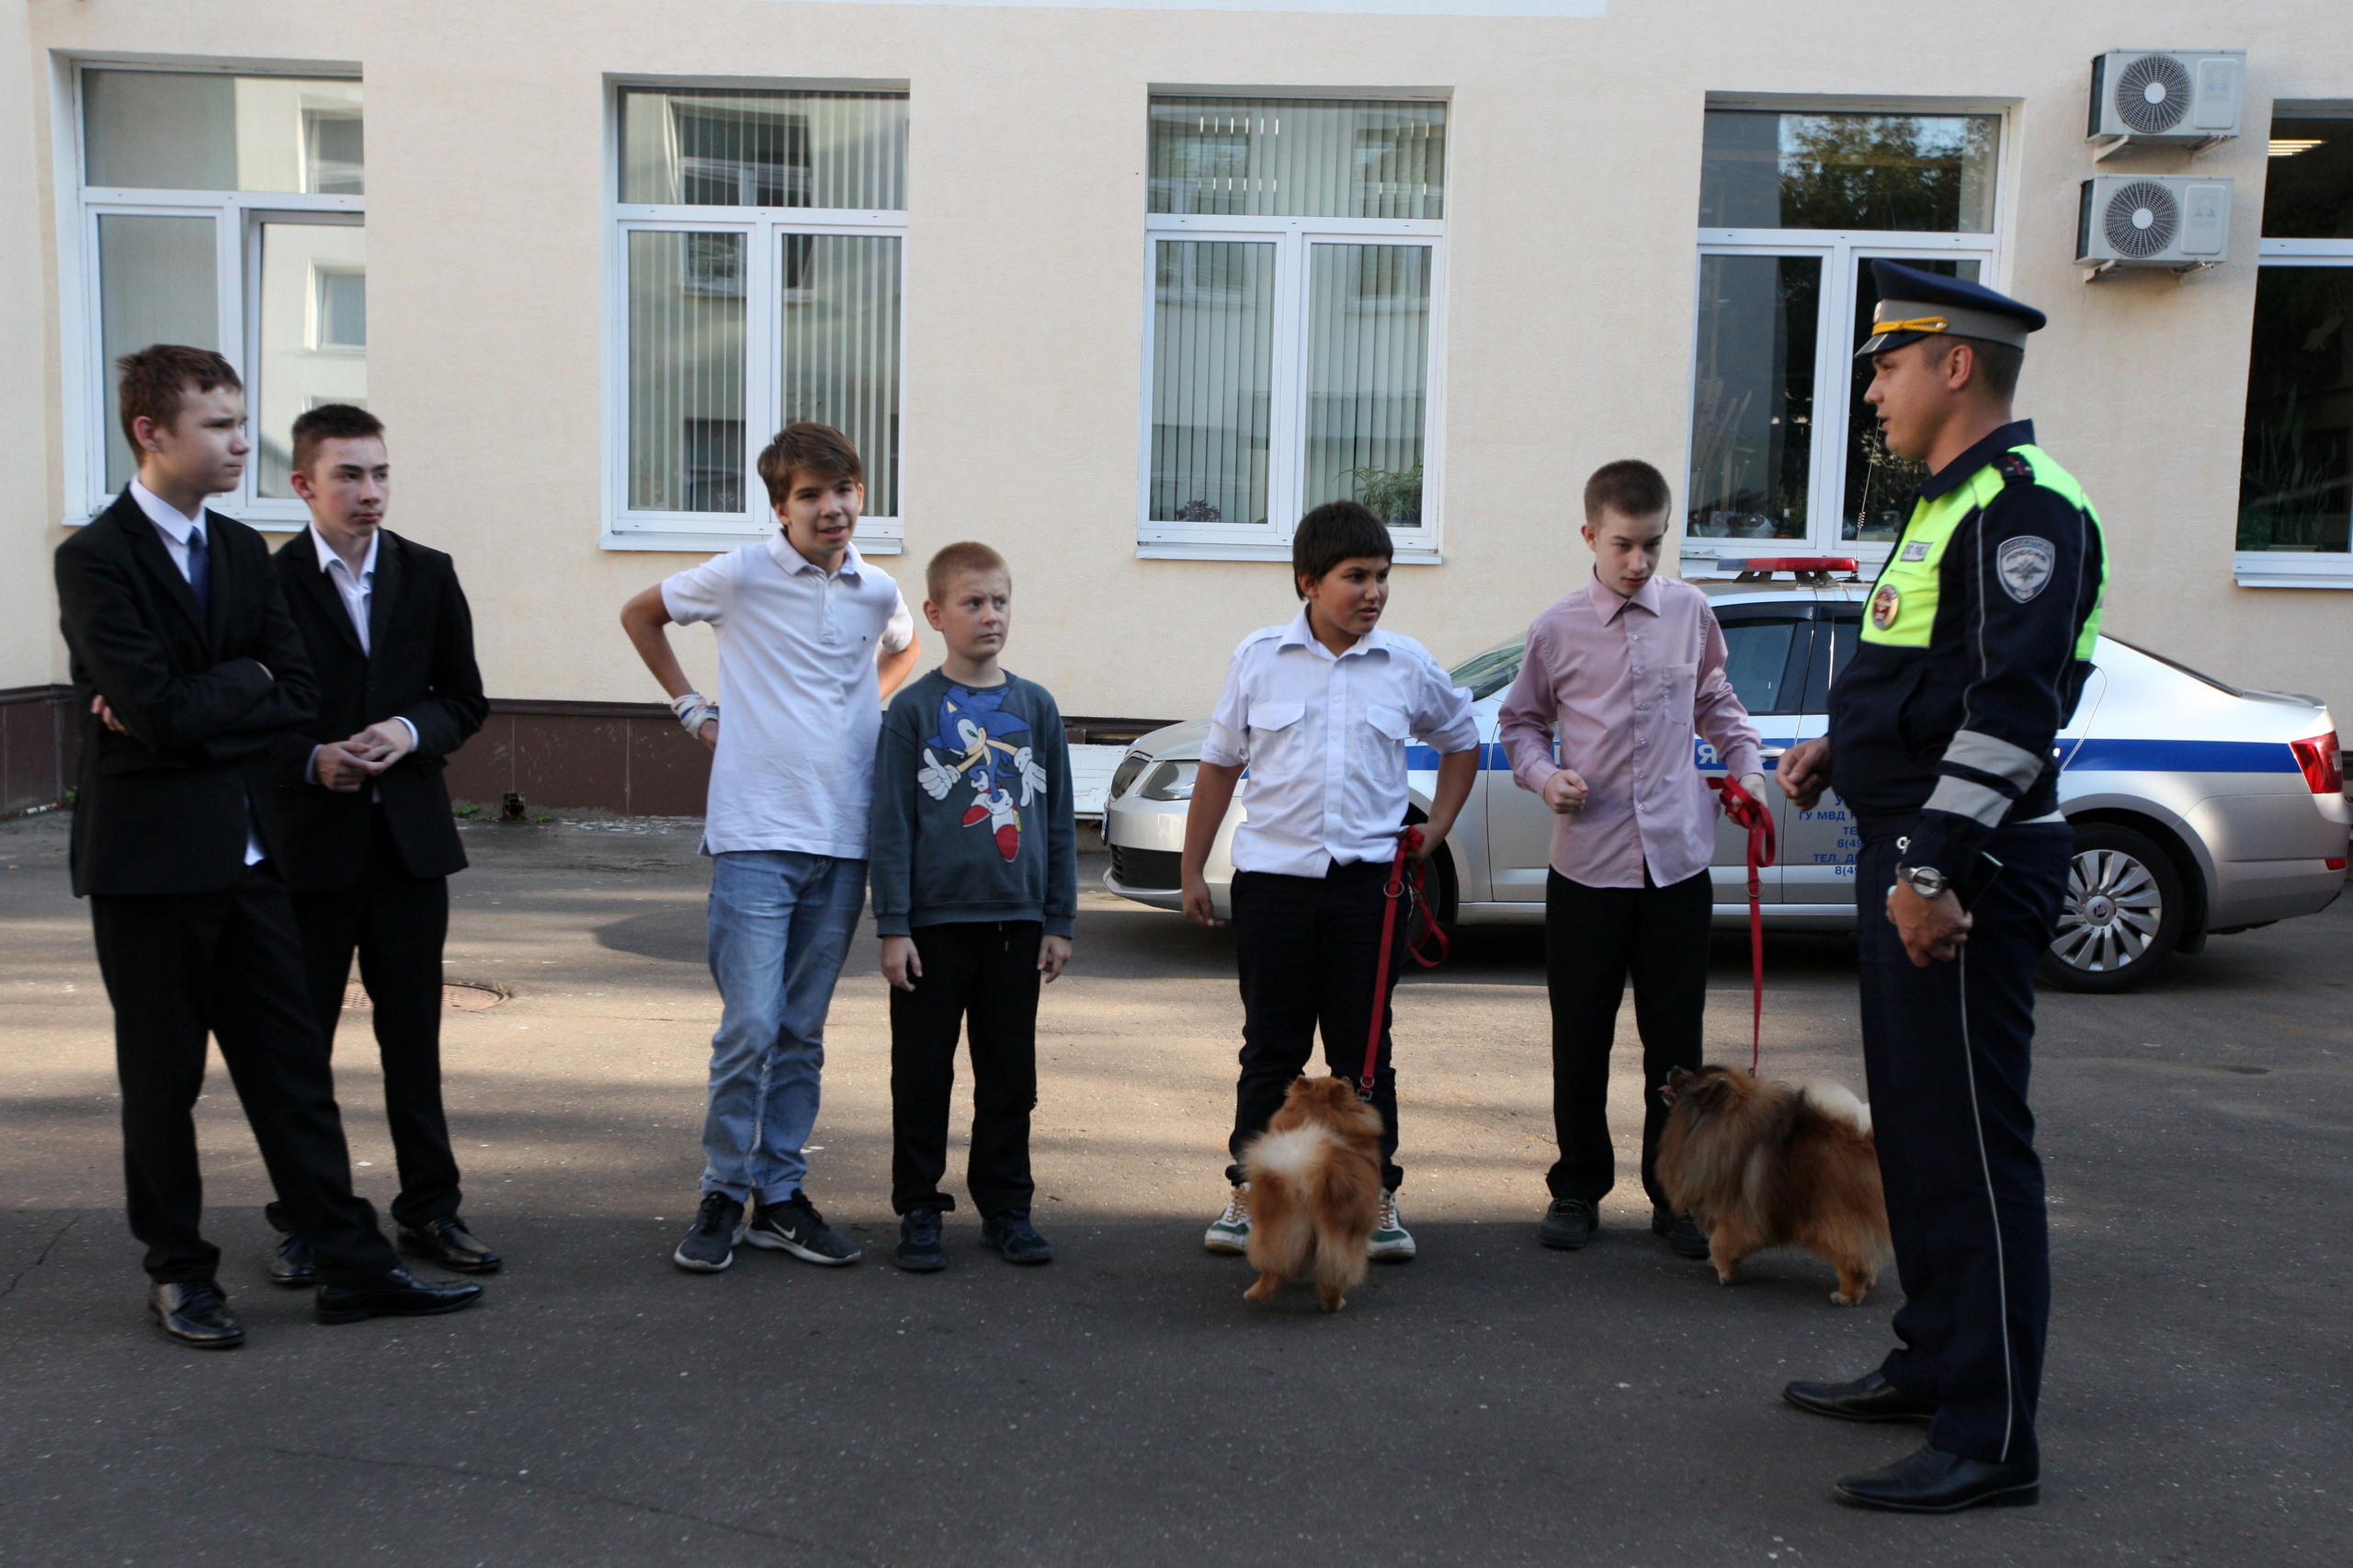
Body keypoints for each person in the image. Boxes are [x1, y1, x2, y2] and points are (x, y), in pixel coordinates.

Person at [53, 345, 483, 1347]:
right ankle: (181, 1271)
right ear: (149, 432)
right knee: (163, 1081)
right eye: (216, 425)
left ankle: (351, 1261)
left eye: (242, 422)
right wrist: (223, 690)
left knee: (291, 1073)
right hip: (150, 866)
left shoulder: (246, 552)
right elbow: (158, 709)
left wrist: (205, 698)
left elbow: (287, 693)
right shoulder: (95, 556)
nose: (237, 442)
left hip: (253, 860)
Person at [1777, 262, 2105, 1514]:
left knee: (1972, 1152)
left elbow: (2013, 711)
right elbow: (1926, 684)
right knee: (1915, 1142)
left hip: (1960, 871)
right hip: (1908, 850)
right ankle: (1932, 1361)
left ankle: (1993, 1429)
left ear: (1954, 365)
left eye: (1888, 364)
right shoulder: (1944, 505)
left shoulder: (2027, 508)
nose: (1871, 390)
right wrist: (1838, 750)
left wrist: (1927, 868)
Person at [620, 421, 919, 1275]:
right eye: (810, 497)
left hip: (842, 836)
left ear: (861, 493)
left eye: (844, 491)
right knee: (749, 1026)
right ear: (781, 507)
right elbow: (641, 615)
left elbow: (903, 648)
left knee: (801, 1029)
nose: (832, 510)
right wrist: (691, 708)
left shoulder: (875, 588)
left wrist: (862, 705)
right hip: (755, 833)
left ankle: (780, 1196)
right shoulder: (742, 576)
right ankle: (723, 1190)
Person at [1181, 500, 1481, 1263]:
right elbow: (1219, 766)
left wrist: (1437, 829)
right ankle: (1252, 1193)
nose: (1374, 591)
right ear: (1309, 582)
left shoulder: (1406, 663)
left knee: (1364, 1054)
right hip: (1275, 888)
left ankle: (1374, 1197)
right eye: (1357, 577)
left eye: (1383, 576)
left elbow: (1461, 740)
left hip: (1369, 896)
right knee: (1270, 1052)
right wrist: (1192, 869)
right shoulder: (1257, 658)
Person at [1496, 458, 1765, 1257]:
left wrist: (1747, 769)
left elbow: (1717, 702)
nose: (1639, 562)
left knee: (1675, 1044)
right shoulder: (1555, 629)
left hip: (1677, 866)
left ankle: (1675, 1193)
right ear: (1590, 536)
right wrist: (1547, 779)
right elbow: (1519, 724)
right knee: (1580, 1036)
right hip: (1587, 867)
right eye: (1623, 545)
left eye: (1652, 544)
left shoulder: (1691, 612)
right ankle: (1577, 1185)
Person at [264, 403, 496, 1287]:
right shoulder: (265, 584)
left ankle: (430, 1212)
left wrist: (407, 730)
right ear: (304, 485)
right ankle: (305, 1221)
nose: (370, 493)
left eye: (381, 474)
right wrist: (308, 759)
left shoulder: (426, 574)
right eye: (349, 476)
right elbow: (248, 717)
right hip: (307, 850)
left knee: (413, 1041)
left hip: (407, 848)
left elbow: (463, 698)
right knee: (298, 1050)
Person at [870, 542, 1077, 1272]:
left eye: (1000, 601)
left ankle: (1007, 1209)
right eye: (972, 603)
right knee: (922, 1075)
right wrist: (893, 926)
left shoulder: (1036, 707)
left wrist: (1060, 920)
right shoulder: (914, 711)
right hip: (932, 929)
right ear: (935, 613)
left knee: (1009, 1077)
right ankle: (919, 1210)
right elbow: (891, 825)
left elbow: (1057, 824)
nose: (990, 616)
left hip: (1016, 928)